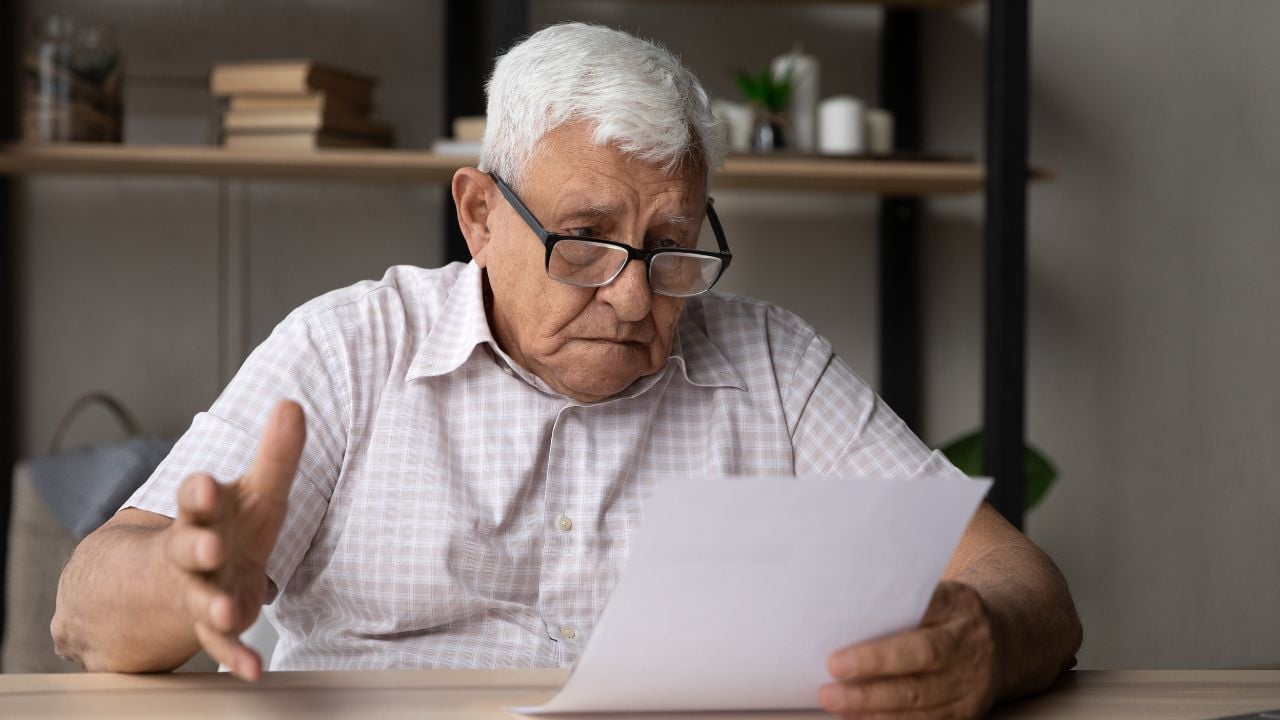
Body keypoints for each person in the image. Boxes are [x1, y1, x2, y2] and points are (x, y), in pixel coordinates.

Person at [52, 22, 1081, 719]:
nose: (635, 298)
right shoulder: (348, 346)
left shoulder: (767, 361)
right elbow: (83, 613)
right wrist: (182, 583)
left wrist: (983, 638)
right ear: (480, 215)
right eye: (583, 240)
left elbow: (1020, 580)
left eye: (670, 246)